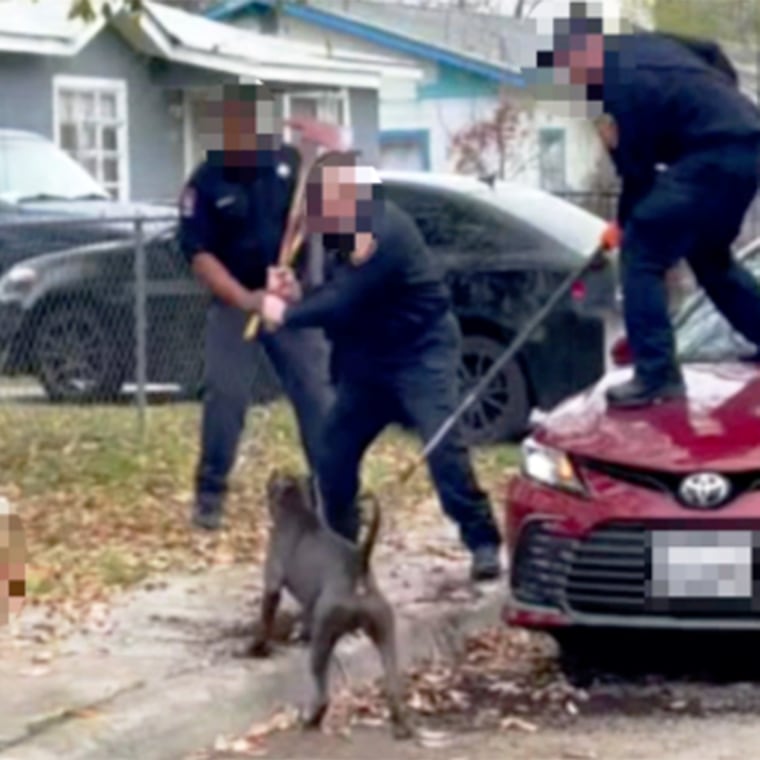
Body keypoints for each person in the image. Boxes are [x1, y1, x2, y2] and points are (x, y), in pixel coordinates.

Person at [259, 154, 503, 582]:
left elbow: (346, 298)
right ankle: (342, 551)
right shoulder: (340, 232)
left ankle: (482, 539)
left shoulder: (383, 230)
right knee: (332, 455)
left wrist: (286, 313)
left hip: (419, 351)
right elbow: (335, 295)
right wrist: (299, 292)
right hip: (368, 360)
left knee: (442, 446)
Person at [543, 10, 760, 408]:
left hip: (711, 155)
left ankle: (657, 374)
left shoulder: (615, 88)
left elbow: (637, 173)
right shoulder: (648, 44)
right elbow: (710, 50)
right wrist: (719, 104)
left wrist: (623, 226)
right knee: (711, 259)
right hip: (748, 143)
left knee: (641, 254)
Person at [177, 83, 334, 530]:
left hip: (288, 301)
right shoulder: (206, 181)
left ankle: (334, 491)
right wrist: (247, 299)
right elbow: (200, 256)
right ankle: (210, 494)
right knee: (226, 397)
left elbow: (312, 230)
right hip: (235, 302)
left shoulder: (289, 165)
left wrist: (297, 283)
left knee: (317, 395)